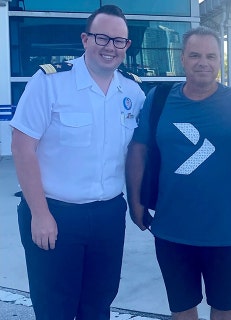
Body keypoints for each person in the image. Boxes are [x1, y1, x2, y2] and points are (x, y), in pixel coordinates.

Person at [10, 5, 144, 319]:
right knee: (55, 308)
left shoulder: (134, 92)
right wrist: (40, 215)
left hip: (108, 215)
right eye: (102, 37)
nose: (110, 47)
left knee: (98, 306)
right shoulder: (50, 83)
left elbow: (139, 154)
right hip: (55, 214)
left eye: (118, 41)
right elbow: (22, 147)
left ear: (126, 47)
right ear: (85, 39)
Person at [125, 26, 231, 320]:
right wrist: (134, 202)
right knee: (182, 309)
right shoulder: (159, 98)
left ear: (220, 61)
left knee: (225, 309)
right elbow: (139, 149)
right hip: (172, 229)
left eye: (211, 56)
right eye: (195, 55)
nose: (203, 62)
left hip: (226, 231)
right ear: (183, 59)